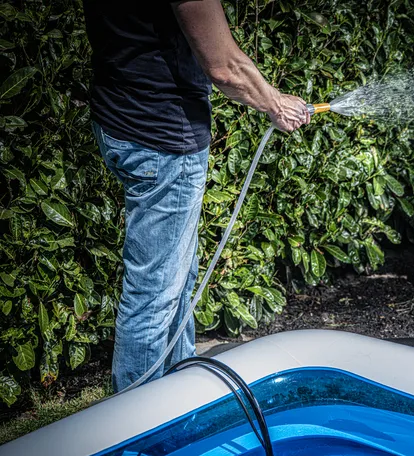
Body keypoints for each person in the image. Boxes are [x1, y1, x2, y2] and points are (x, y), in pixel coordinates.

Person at [82, 0, 310, 392]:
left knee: (174, 281)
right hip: (162, 137)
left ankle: (177, 398)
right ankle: (138, 422)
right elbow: (225, 66)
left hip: (117, 121)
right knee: (155, 294)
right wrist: (276, 103)